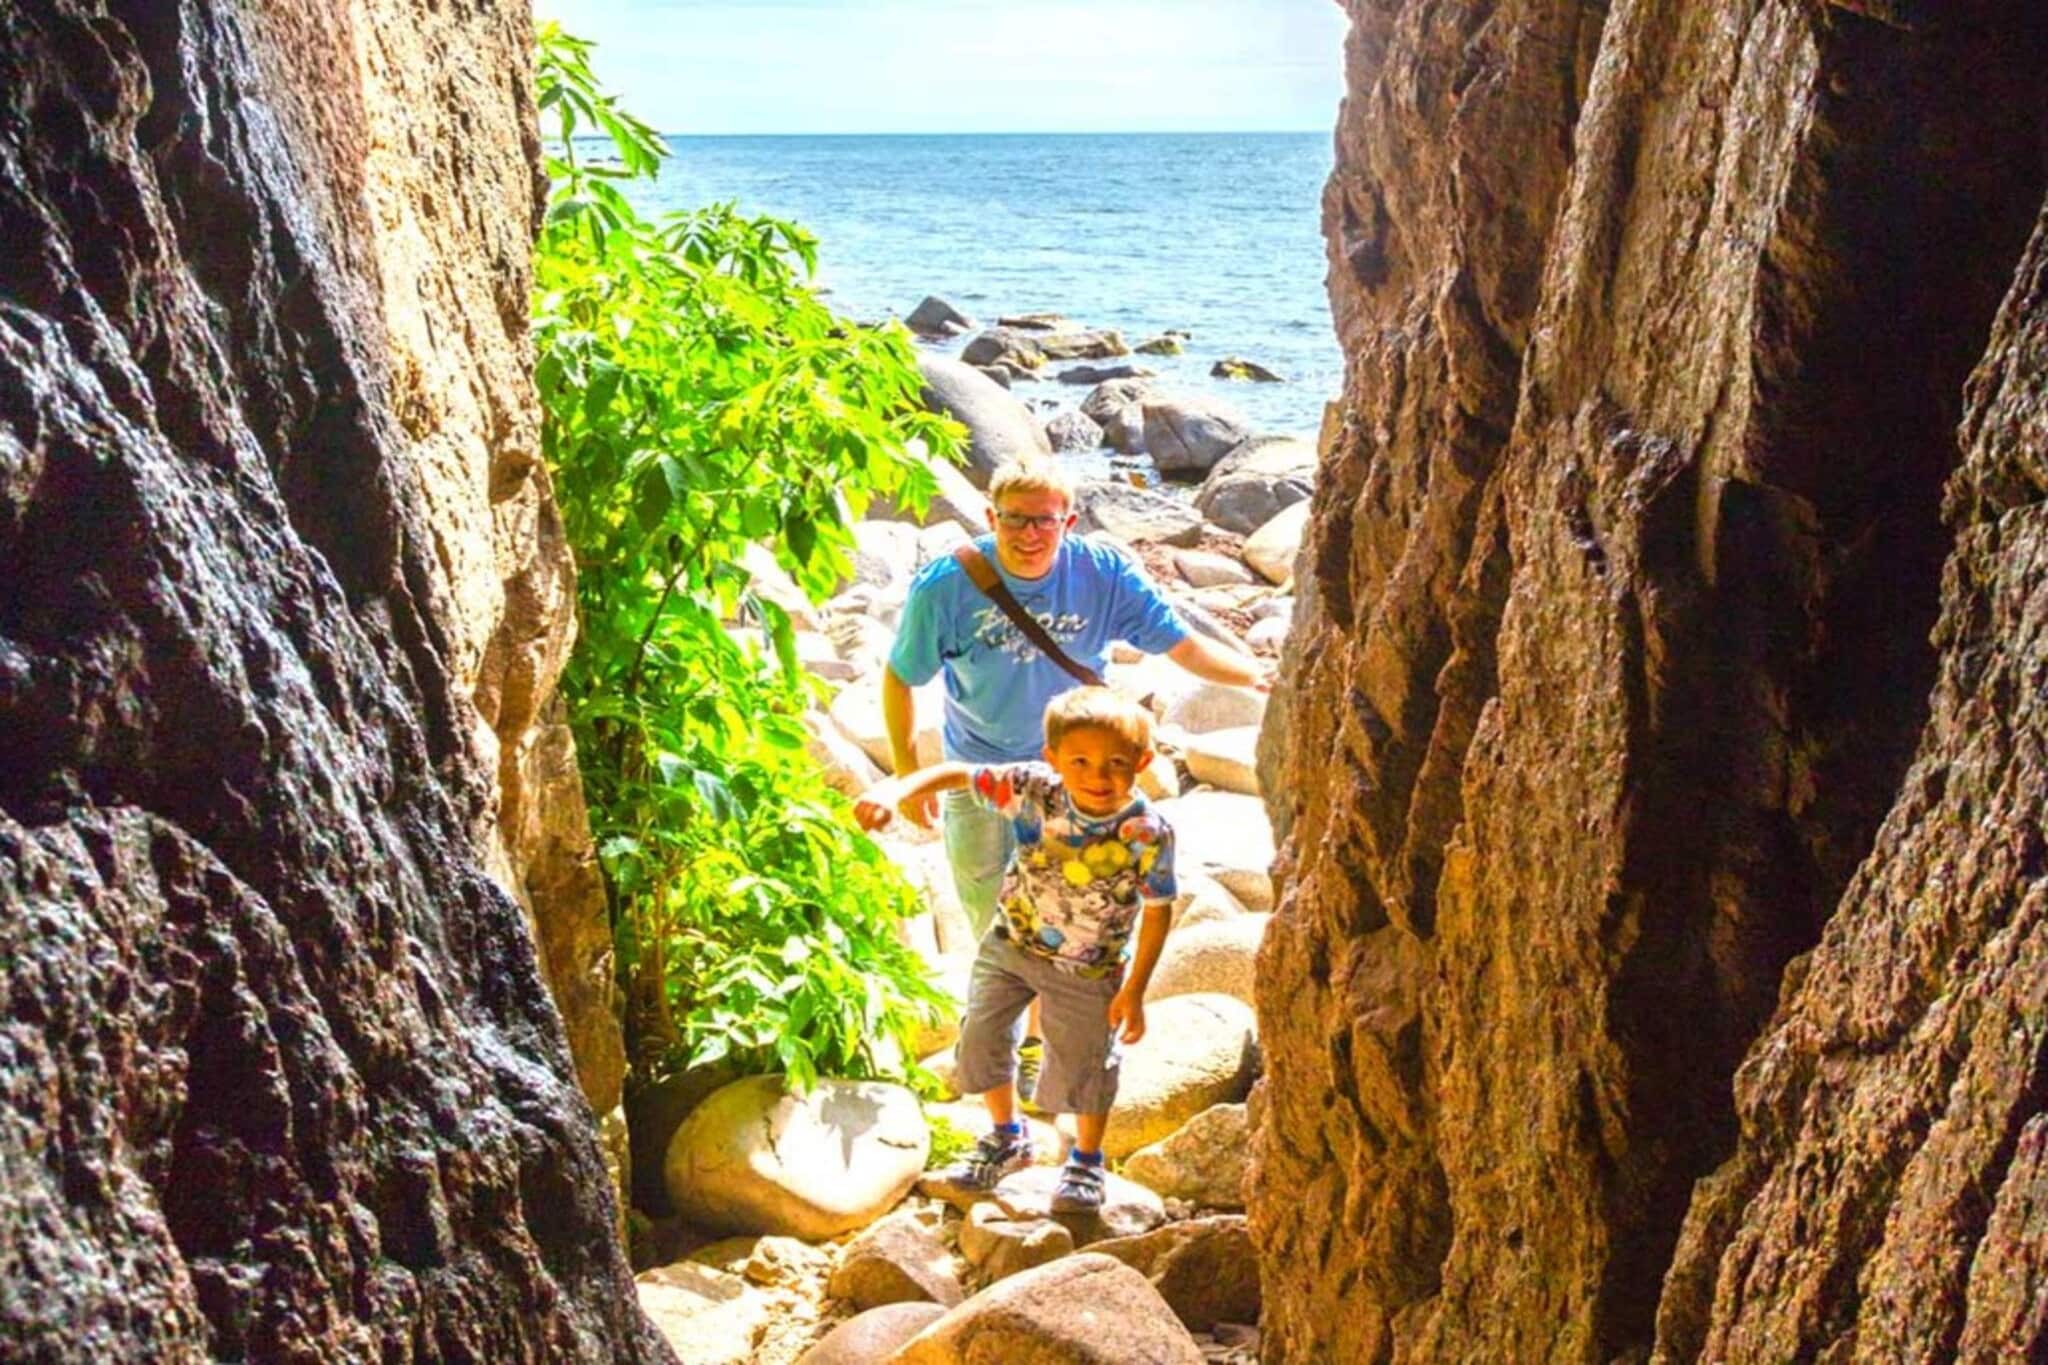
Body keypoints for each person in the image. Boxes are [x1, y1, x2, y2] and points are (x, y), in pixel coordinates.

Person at [883, 457, 1269, 1100]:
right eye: (1015, 519)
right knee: (993, 917)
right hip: (982, 774)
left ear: (1069, 519)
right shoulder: (948, 585)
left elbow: (1179, 643)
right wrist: (904, 770)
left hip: (1078, 780)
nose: (1030, 534)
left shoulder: (1100, 571)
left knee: (1084, 918)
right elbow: (901, 677)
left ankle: (1039, 1044)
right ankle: (1000, 1044)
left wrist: (1254, 675)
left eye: (1045, 521)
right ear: (990, 516)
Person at [855, 686, 1177, 1211]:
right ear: (1051, 759)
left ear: (1143, 762)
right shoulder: (1035, 789)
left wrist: (1136, 989)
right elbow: (959, 773)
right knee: (981, 1035)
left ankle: (1087, 1161)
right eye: (1080, 761)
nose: (1098, 776)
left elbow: (1159, 908)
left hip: (1087, 967)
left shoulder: (1146, 832)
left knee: (1087, 1061)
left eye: (1116, 763)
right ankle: (1008, 1137)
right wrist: (897, 791)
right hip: (1011, 942)